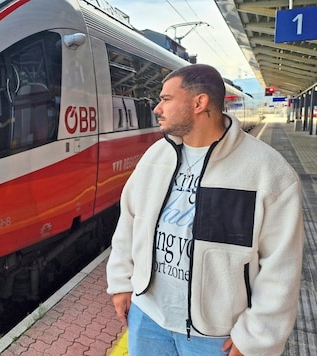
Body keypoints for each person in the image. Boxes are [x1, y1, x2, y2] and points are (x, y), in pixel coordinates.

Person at [106, 63, 304, 356]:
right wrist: (121, 282)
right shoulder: (155, 157)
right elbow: (130, 222)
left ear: (199, 103)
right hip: (148, 318)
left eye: (167, 99)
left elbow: (281, 265)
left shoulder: (268, 172)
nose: (157, 108)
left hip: (214, 334)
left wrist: (257, 336)